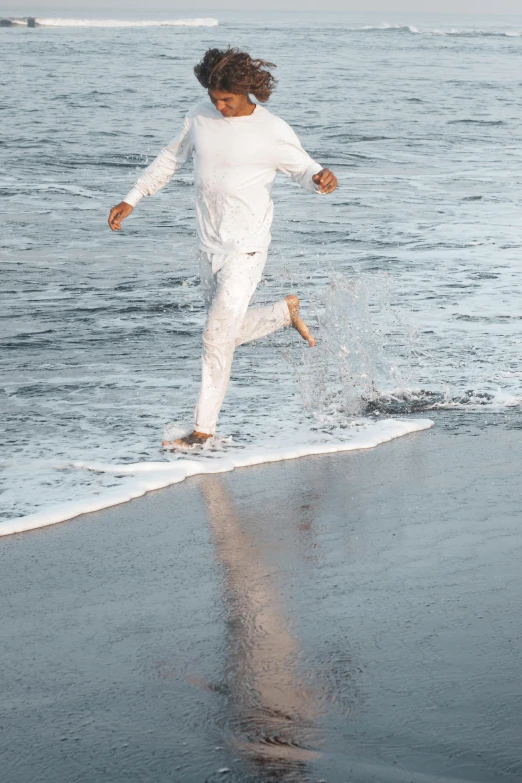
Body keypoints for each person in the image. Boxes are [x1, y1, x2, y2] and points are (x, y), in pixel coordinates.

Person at [108, 48, 338, 448]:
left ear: (246, 91)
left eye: (227, 100)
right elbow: (169, 159)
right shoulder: (199, 116)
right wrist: (133, 197)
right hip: (208, 246)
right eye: (215, 99)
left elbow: (303, 168)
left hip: (247, 248)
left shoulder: (272, 129)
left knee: (215, 338)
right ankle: (283, 313)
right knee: (223, 334)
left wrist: (320, 179)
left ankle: (203, 431)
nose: (220, 106)